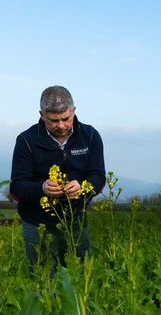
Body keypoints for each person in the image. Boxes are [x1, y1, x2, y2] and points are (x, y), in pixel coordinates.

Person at [9, 85, 106, 270]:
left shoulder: (90, 136)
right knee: (44, 282)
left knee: (80, 277)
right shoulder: (26, 141)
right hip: (38, 224)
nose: (61, 125)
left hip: (76, 222)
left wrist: (83, 187)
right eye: (54, 120)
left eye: (66, 119)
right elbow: (16, 187)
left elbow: (99, 177)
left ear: (74, 111)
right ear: (42, 115)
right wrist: (42, 189)